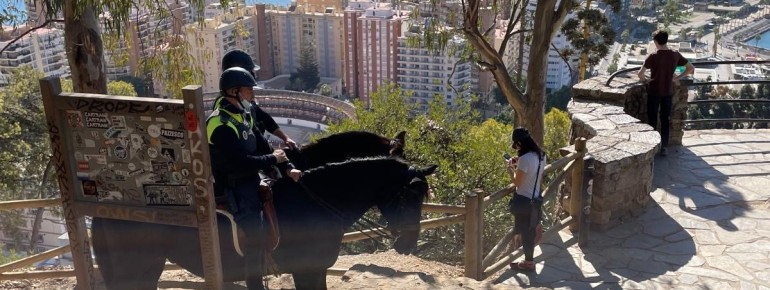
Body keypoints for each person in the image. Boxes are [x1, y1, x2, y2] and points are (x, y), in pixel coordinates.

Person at [207, 67, 302, 289]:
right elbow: (242, 161)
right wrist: (273, 160)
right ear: (234, 91)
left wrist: (287, 168)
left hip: (249, 177)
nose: (253, 95)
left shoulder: (243, 114)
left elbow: (263, 145)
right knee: (255, 235)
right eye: (249, 90)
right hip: (233, 185)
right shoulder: (218, 123)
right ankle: (254, 284)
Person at [220, 49, 297, 149]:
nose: (253, 75)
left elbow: (264, 118)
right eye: (250, 72)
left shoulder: (243, 102)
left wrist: (285, 138)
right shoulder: (227, 109)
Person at [638, 30, 694, 156]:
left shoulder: (653, 56)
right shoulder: (675, 54)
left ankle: (651, 146)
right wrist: (676, 78)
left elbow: (640, 74)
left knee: (652, 119)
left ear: (656, 41)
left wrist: (646, 80)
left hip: (654, 91)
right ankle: (664, 147)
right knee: (665, 119)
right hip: (668, 91)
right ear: (666, 40)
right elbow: (691, 68)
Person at [507, 127, 546, 272]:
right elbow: (535, 172)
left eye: (515, 145)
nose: (515, 148)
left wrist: (511, 171)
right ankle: (523, 257)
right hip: (535, 199)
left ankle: (528, 263)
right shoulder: (541, 155)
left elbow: (518, 183)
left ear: (519, 143)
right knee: (528, 229)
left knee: (526, 234)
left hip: (523, 201)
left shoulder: (524, 159)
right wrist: (519, 162)